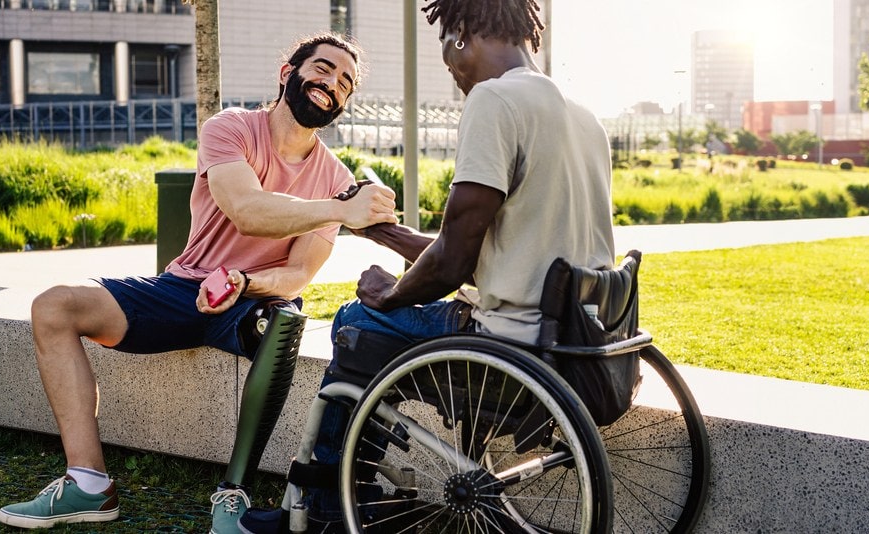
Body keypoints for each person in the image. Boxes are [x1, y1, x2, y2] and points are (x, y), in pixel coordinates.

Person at [0, 32, 398, 533]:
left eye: (345, 82)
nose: (332, 84)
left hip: (255, 301)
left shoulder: (333, 175)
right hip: (184, 288)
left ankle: (234, 496)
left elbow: (298, 273)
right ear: (287, 72)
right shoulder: (230, 127)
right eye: (323, 68)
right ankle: (88, 484)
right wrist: (342, 207)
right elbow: (245, 209)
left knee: (286, 321)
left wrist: (243, 280)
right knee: (54, 306)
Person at [237, 0, 616, 532]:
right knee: (383, 320)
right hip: (574, 341)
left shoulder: (494, 100)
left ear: (459, 33)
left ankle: (322, 510)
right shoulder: (582, 116)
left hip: (506, 344)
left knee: (355, 323)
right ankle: (363, 482)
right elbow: (493, 251)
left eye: (447, 53)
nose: (453, 73)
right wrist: (385, 235)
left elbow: (454, 261)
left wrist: (388, 295)